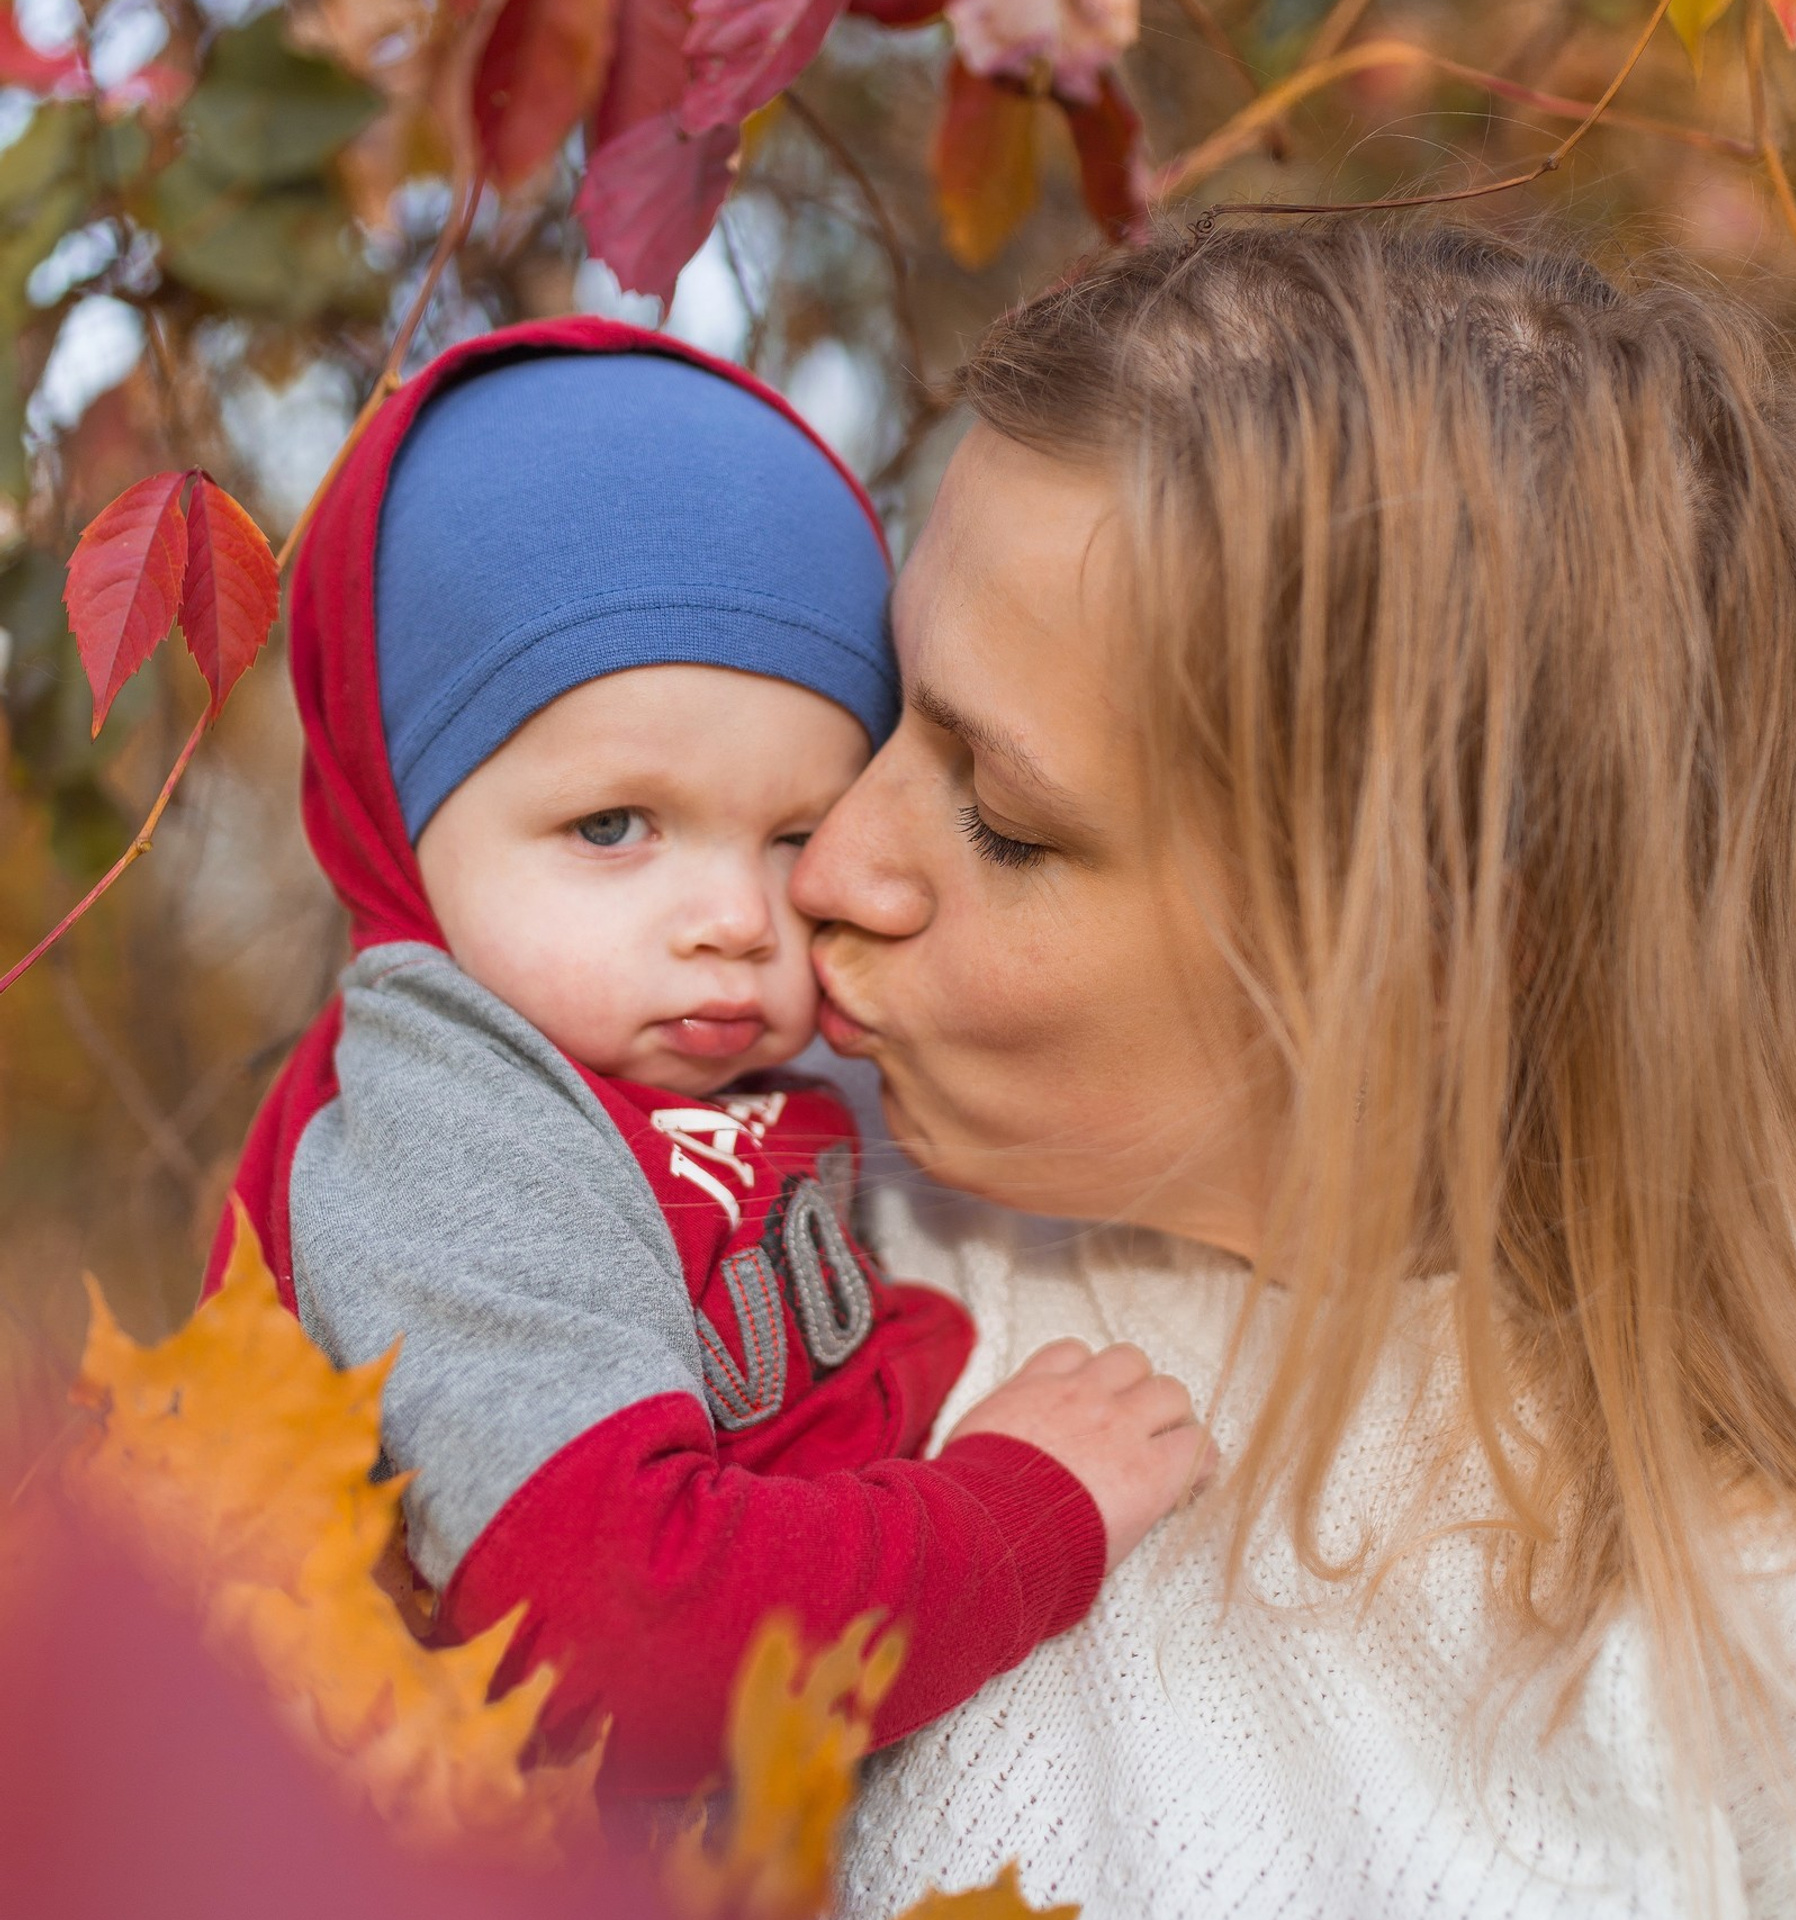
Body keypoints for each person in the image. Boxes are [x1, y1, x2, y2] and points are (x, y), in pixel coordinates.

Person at [792, 223, 1796, 1916]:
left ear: (1441, 960)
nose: (825, 866)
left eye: (1005, 821)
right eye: (886, 701)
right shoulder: (738, 1248)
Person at [201, 320, 1212, 1801]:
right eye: (614, 827)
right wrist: (1011, 1515)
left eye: (798, 832)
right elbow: (622, 1627)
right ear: (397, 820)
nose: (738, 921)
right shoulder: (450, 1127)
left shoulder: (703, 1062)